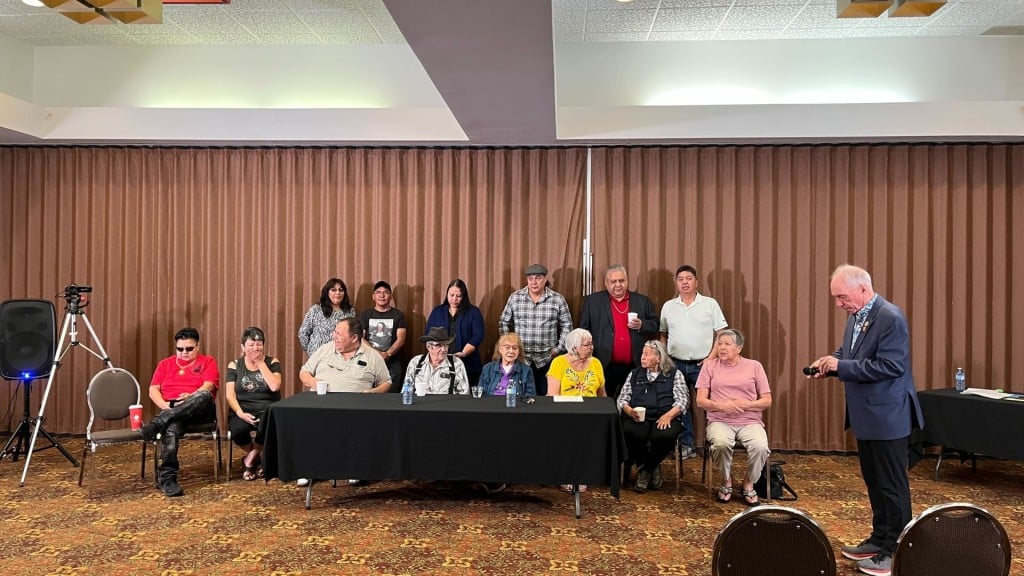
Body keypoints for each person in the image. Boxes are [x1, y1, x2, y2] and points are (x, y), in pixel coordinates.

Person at [809, 264, 922, 576]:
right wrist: (829, 362)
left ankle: (896, 551)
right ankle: (880, 538)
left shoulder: (890, 317)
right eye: (836, 298)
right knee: (875, 482)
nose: (838, 304)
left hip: (888, 416)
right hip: (867, 415)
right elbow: (849, 353)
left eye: (842, 297)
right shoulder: (856, 315)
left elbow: (892, 366)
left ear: (862, 288)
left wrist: (841, 367)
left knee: (892, 486)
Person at [139, 327, 219, 497]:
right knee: (171, 428)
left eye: (189, 349)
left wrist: (191, 396)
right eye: (180, 349)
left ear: (197, 347)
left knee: (202, 395)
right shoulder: (165, 364)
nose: (184, 353)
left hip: (200, 409)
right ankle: (167, 479)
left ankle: (158, 422)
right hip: (172, 409)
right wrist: (165, 406)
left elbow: (208, 386)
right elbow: (153, 389)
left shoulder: (208, 361)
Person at [695, 329, 772, 507]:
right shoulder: (709, 366)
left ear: (738, 348)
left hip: (750, 421)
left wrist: (746, 404)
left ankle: (749, 483)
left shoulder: (754, 366)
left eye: (727, 344)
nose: (722, 348)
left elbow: (767, 400)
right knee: (721, 444)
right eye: (719, 344)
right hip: (719, 420)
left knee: (760, 447)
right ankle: (726, 480)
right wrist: (722, 406)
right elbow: (700, 401)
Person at [660, 264, 729, 460]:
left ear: (696, 282)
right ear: (676, 283)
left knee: (709, 404)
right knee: (680, 405)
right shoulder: (668, 306)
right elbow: (663, 334)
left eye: (688, 279)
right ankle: (687, 444)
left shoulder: (709, 304)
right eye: (680, 279)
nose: (685, 282)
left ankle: (714, 444)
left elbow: (722, 333)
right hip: (676, 363)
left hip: (703, 364)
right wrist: (665, 358)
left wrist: (711, 358)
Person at [616, 340, 687, 493]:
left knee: (664, 435)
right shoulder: (635, 374)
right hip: (639, 417)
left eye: (647, 354)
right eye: (642, 353)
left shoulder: (674, 374)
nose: (642, 357)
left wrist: (668, 416)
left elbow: (683, 401)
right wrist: (629, 411)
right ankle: (651, 465)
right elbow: (622, 399)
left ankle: (646, 469)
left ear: (659, 358)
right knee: (630, 432)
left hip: (665, 416)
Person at [579, 264, 659, 399]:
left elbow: (655, 325)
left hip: (635, 364)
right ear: (606, 283)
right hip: (604, 364)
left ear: (627, 281)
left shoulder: (642, 300)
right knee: (604, 403)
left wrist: (642, 324)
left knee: (633, 403)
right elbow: (583, 330)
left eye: (621, 281)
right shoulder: (593, 301)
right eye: (613, 281)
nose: (618, 285)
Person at [499, 263, 573, 395]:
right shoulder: (515, 298)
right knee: (521, 397)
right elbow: (504, 322)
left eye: (538, 278)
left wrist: (558, 349)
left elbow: (567, 325)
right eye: (530, 278)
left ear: (545, 279)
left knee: (546, 398)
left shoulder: (557, 299)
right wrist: (509, 346)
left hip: (547, 359)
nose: (533, 282)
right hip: (521, 358)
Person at [223, 326, 282, 481]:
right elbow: (230, 395)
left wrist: (260, 363)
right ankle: (258, 459)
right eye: (251, 345)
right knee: (238, 430)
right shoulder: (234, 365)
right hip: (242, 409)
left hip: (267, 410)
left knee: (267, 426)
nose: (256, 348)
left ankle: (249, 460)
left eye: (259, 344)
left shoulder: (272, 362)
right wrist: (240, 413)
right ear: (243, 347)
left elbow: (275, 386)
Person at [299, 317, 392, 393]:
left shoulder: (373, 356)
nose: (334, 336)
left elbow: (386, 382)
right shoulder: (324, 349)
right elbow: (304, 372)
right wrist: (312, 382)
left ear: (354, 338)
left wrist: (373, 392)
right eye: (335, 332)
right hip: (321, 404)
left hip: (355, 406)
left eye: (339, 334)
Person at [425, 279, 485, 387]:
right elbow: (428, 335)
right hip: (440, 363)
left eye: (458, 296)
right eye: (451, 295)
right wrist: (436, 354)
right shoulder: (438, 311)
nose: (454, 299)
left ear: (464, 296)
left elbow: (478, 336)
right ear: (447, 294)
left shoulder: (473, 312)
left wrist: (464, 353)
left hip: (468, 364)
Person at [358, 280, 407, 390]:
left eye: (386, 292)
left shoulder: (398, 315)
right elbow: (361, 338)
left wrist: (387, 354)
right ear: (373, 297)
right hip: (369, 359)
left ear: (391, 296)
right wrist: (378, 354)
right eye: (378, 292)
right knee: (367, 391)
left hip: (392, 360)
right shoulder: (366, 314)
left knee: (392, 391)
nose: (382, 295)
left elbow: (401, 339)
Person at [403, 327, 470, 395]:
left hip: (446, 401)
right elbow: (406, 391)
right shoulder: (416, 362)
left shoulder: (456, 363)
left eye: (446, 345)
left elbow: (464, 394)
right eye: (439, 345)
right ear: (429, 347)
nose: (443, 349)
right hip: (420, 401)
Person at [298, 278, 355, 355]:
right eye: (333, 290)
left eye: (341, 290)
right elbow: (303, 332)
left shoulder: (350, 311)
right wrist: (310, 350)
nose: (338, 292)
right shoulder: (316, 309)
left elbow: (352, 333)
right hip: (318, 355)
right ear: (327, 292)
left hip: (341, 356)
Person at [546, 328, 606, 397]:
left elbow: (602, 395)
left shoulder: (596, 363)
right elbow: (552, 395)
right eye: (587, 345)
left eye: (591, 344)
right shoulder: (559, 362)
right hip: (565, 404)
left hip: (591, 404)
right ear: (574, 348)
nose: (591, 347)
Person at [478, 332, 537, 398]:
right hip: (490, 403)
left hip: (515, 403)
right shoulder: (487, 368)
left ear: (519, 351)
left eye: (514, 348)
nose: (511, 351)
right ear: (500, 349)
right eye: (507, 347)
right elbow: (481, 393)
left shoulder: (527, 371)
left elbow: (530, 395)